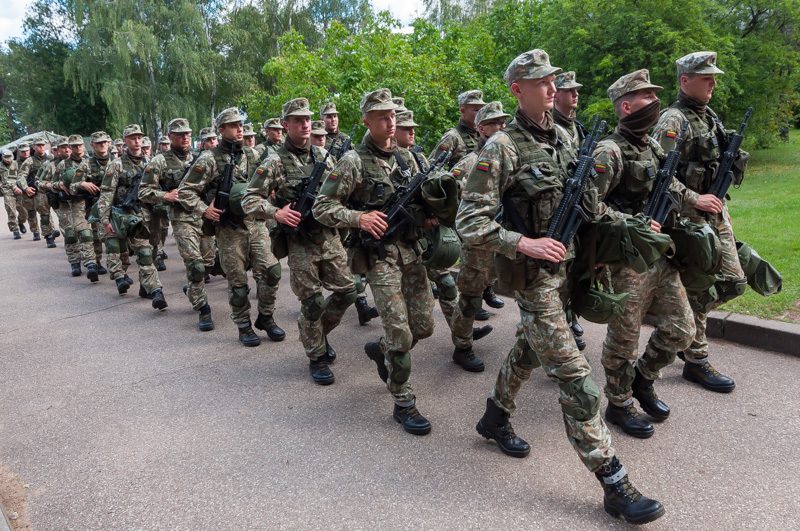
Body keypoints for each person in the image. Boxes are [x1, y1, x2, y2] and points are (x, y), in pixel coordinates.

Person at [458, 49, 664, 524]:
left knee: (530, 349)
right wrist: (523, 244)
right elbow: (469, 220)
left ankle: (495, 416)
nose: (552, 89)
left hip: (571, 271)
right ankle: (615, 483)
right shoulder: (501, 148)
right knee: (576, 380)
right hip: (534, 281)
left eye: (553, 80)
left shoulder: (566, 139)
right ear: (517, 90)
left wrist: (630, 225)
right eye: (541, 82)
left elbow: (589, 205)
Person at [314, 88, 436, 435]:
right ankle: (403, 401)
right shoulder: (353, 161)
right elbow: (322, 207)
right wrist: (359, 218)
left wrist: (428, 217)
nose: (390, 120)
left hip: (411, 253)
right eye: (382, 115)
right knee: (399, 331)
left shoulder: (407, 158)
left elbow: (419, 202)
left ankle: (380, 350)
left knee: (424, 327)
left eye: (393, 114)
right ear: (366, 120)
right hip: (379, 258)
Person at [592, 69, 697, 438]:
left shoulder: (651, 145)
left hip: (659, 253)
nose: (655, 102)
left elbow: (672, 184)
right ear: (626, 105)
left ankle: (643, 380)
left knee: (682, 328)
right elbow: (590, 206)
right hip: (626, 261)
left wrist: (698, 200)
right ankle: (618, 403)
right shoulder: (609, 150)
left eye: (655, 96)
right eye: (646, 96)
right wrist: (631, 223)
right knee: (624, 338)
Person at [243, 98, 356, 384]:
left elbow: (341, 192)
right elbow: (249, 199)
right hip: (300, 242)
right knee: (313, 302)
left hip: (328, 237)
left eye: (307, 119)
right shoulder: (274, 160)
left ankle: (316, 333)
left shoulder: (324, 156)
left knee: (348, 292)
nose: (305, 124)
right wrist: (275, 212)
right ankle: (316, 356)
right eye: (297, 120)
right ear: (285, 124)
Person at [651, 51, 745, 393]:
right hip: (688, 220)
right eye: (707, 78)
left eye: (713, 77)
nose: (713, 83)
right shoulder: (672, 121)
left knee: (733, 282)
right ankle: (697, 359)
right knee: (703, 282)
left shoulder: (710, 117)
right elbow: (658, 174)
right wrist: (693, 197)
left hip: (715, 213)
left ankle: (682, 324)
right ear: (684, 81)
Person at [394, 108, 492, 371]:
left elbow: (432, 188)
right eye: (406, 128)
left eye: (413, 128)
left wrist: (437, 212)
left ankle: (463, 342)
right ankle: (388, 348)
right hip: (397, 243)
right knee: (405, 311)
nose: (412, 132)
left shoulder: (418, 156)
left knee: (448, 285)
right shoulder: (390, 161)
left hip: (423, 238)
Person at [178, 108, 285, 346]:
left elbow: (270, 180)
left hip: (256, 224)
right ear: (221, 129)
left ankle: (266, 317)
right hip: (229, 229)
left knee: (271, 271)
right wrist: (204, 209)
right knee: (238, 284)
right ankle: (244, 325)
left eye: (241, 125)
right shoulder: (208, 159)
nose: (240, 129)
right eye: (233, 125)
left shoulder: (251, 155)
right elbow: (186, 191)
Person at [448, 101, 512, 370]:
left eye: (502, 122)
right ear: (481, 128)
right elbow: (448, 188)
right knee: (470, 296)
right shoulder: (473, 160)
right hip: (477, 240)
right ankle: (462, 346)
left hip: (501, 235)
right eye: (494, 123)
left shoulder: (506, 155)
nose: (501, 127)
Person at [141, 118, 216, 330]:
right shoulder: (159, 161)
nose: (185, 137)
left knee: (209, 262)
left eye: (188, 133)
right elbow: (144, 191)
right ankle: (202, 308)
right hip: (181, 218)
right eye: (180, 134)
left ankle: (192, 289)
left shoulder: (202, 158)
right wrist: (165, 195)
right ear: (170, 136)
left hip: (204, 215)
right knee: (195, 264)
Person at [97, 124, 168, 310]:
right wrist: (105, 220)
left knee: (149, 253)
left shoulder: (150, 163)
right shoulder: (116, 164)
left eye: (139, 137)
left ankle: (150, 288)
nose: (137, 141)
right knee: (131, 254)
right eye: (132, 138)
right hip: (123, 215)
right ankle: (151, 289)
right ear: (125, 141)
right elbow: (106, 193)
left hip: (146, 216)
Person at [430, 90, 485, 168]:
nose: (480, 114)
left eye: (482, 110)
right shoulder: (452, 136)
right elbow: (432, 168)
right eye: (476, 110)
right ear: (463, 111)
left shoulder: (483, 135)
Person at [553, 71, 587, 146]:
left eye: (576, 89)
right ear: (555, 95)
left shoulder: (578, 128)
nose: (576, 94)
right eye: (569, 90)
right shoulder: (549, 129)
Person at [0, 149, 22, 239]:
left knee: (23, 211)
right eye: (6, 157)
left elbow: (21, 176)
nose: (8, 159)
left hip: (19, 189)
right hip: (6, 190)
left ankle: (20, 222)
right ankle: (15, 229)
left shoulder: (16, 164)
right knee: (11, 210)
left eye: (9, 157)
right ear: (2, 157)